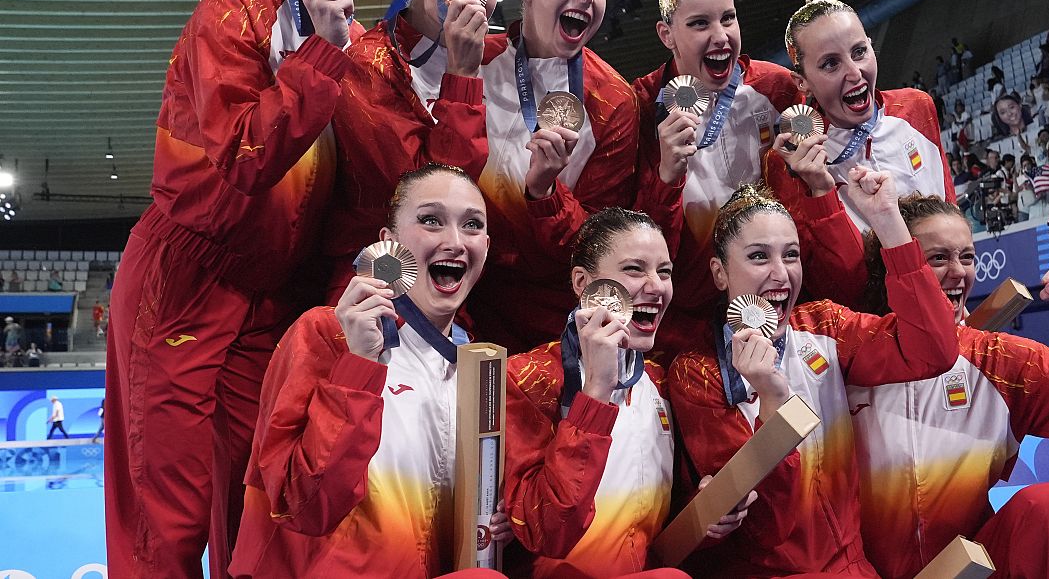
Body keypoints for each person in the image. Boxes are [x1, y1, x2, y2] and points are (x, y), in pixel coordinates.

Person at [104, 0, 389, 576]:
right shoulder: (230, 10)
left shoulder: (363, 46)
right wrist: (322, 45)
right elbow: (245, 157)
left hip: (272, 295)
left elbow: (367, 193)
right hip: (184, 279)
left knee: (252, 505)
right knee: (165, 517)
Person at [847, 193, 1049, 579]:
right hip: (859, 571)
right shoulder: (846, 351)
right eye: (937, 258)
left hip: (970, 570)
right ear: (895, 265)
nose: (958, 272)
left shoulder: (1001, 363)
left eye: (966, 257)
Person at [666, 174, 959, 577]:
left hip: (852, 568)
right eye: (758, 256)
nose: (781, 274)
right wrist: (772, 399)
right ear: (719, 273)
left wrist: (889, 222)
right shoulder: (697, 371)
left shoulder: (824, 325)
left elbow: (934, 350)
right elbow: (767, 527)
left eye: (791, 255)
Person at [231, 164, 510, 579]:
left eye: (471, 225)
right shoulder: (325, 334)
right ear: (389, 243)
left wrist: (493, 523)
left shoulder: (481, 368)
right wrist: (359, 367)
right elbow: (301, 505)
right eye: (431, 220)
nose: (454, 241)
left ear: (485, 247)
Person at [503, 207, 748, 577]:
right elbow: (545, 532)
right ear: (583, 283)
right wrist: (596, 392)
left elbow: (660, 525)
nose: (656, 286)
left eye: (664, 272)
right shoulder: (528, 379)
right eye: (635, 269)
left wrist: (708, 510)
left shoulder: (660, 382)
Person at [468, 0, 640, 352]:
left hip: (549, 313)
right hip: (459, 288)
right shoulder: (471, 58)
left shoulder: (614, 100)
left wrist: (544, 192)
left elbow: (599, 240)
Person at [632, 0, 809, 356]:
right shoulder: (640, 106)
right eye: (699, 23)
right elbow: (634, 236)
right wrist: (665, 176)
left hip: (776, 305)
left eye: (728, 18)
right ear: (666, 34)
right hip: (687, 324)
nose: (720, 36)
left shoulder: (777, 89)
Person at [320, 0, 507, 300]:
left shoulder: (500, 62)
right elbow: (432, 192)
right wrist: (463, 75)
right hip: (378, 280)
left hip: (458, 283)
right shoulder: (367, 64)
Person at [775, 0, 955, 233]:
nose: (854, 72)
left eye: (859, 51)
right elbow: (834, 267)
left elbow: (952, 212)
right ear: (802, 82)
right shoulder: (798, 161)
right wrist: (819, 191)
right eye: (830, 63)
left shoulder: (916, 106)